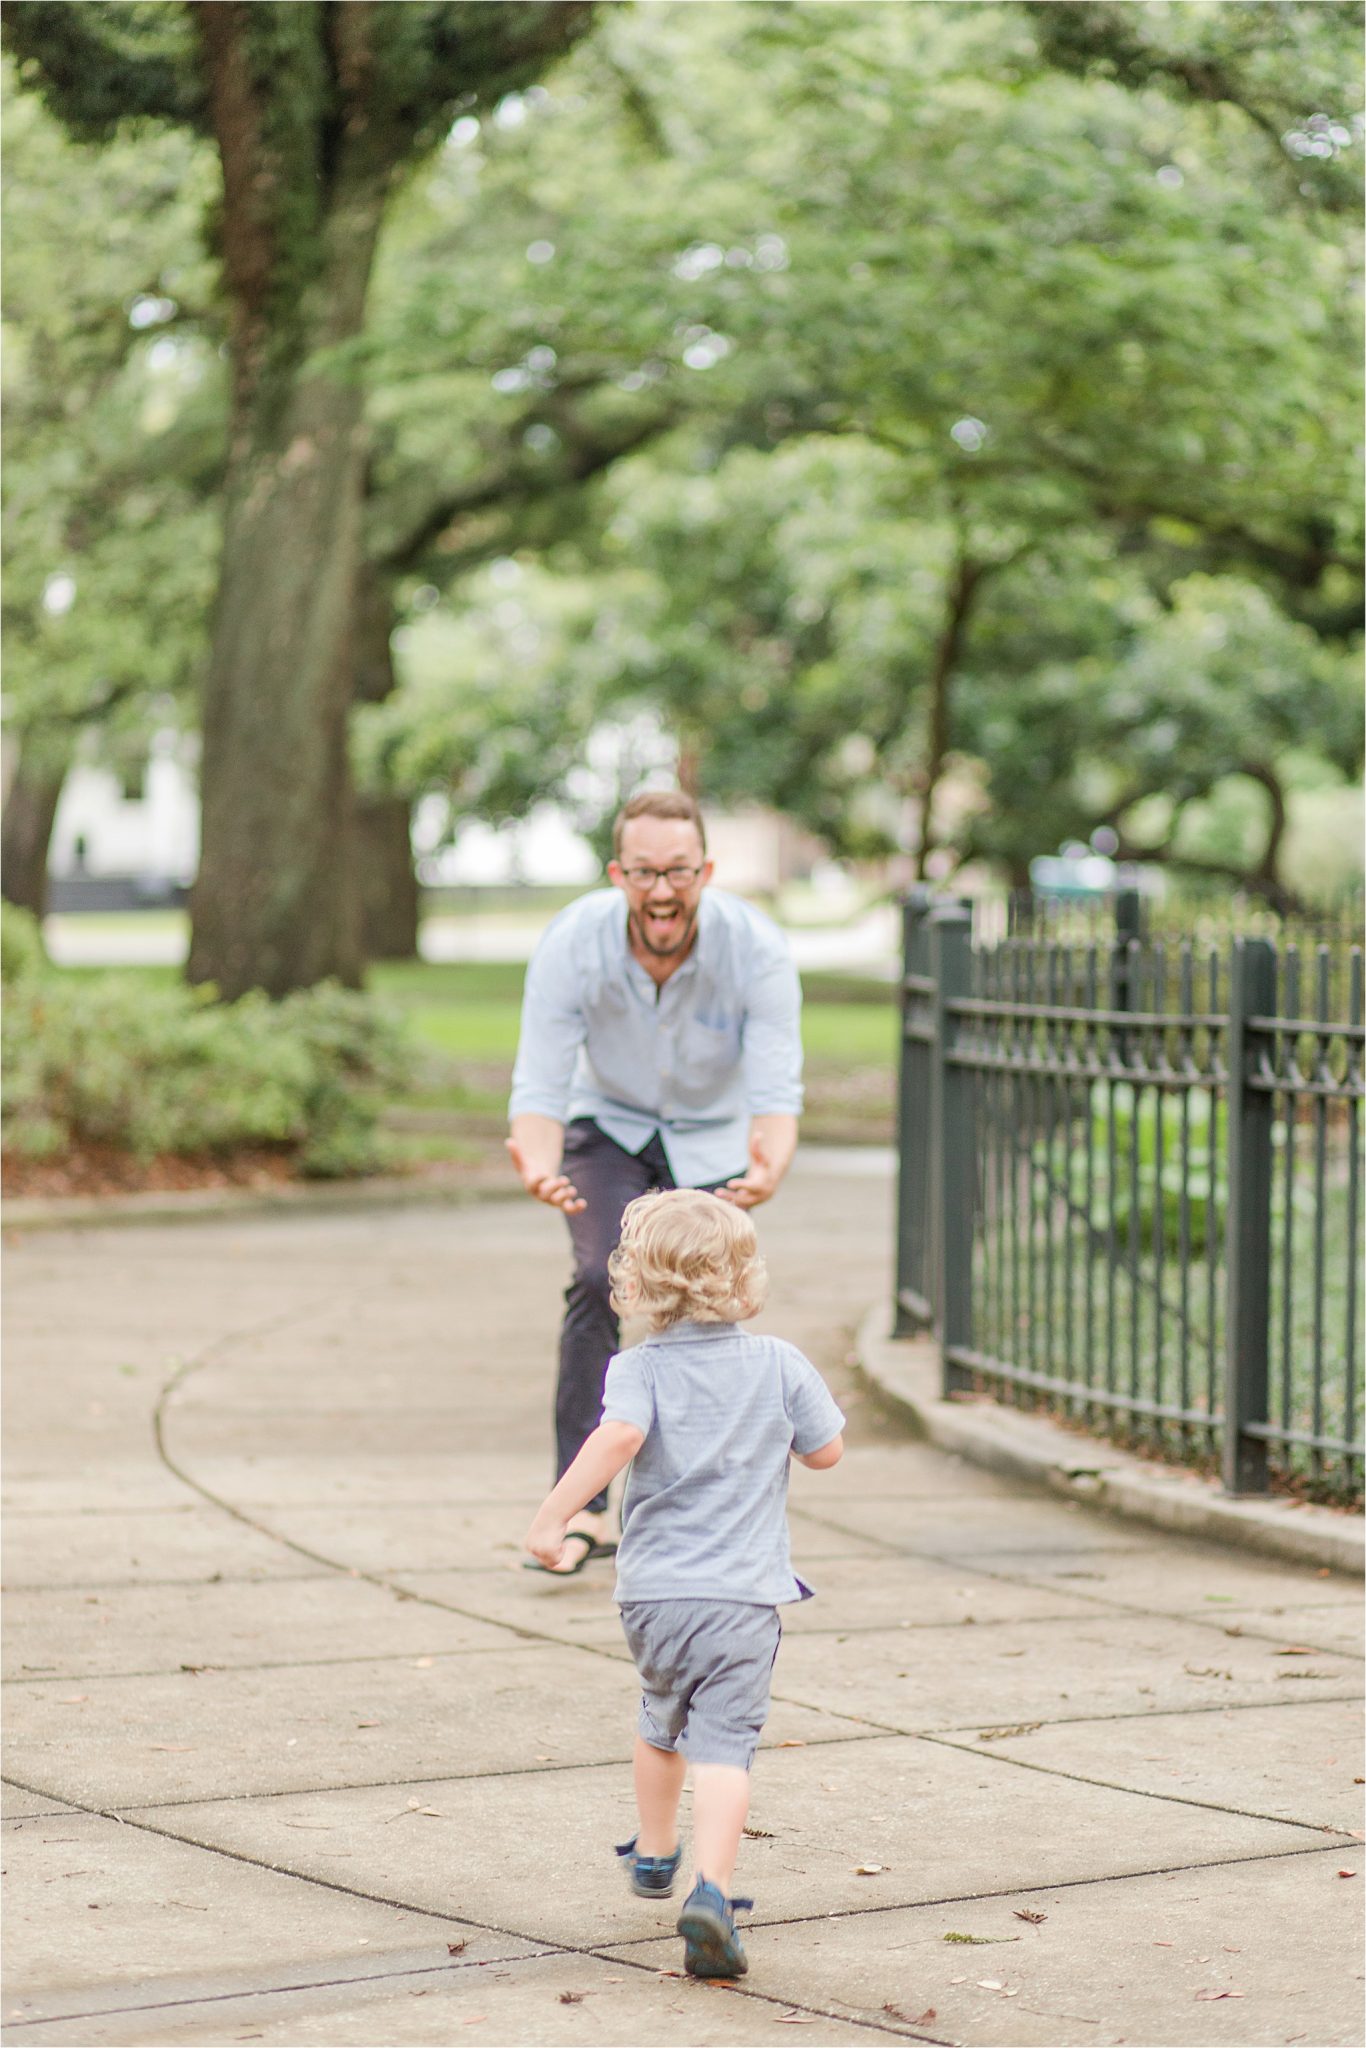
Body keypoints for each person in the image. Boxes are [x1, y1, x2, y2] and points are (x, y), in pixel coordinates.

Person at [524, 1187, 845, 1980]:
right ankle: (711, 1890)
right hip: (741, 1599)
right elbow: (826, 1453)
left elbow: (619, 1436)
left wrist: (554, 1516)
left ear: (636, 1285)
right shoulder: (778, 1363)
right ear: (744, 1280)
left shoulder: (636, 1368)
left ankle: (656, 1853)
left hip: (653, 1596)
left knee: (659, 1718)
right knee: (726, 1747)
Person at [507, 790, 803, 1573]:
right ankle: (581, 1512)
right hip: (608, 1126)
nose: (662, 891)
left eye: (678, 871)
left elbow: (776, 1086)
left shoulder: (756, 948)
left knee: (711, 1308)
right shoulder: (573, 941)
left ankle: (705, 1510)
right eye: (644, 873)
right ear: (617, 873)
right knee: (597, 1279)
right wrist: (538, 1163)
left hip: (712, 1140)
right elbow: (540, 1080)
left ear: (705, 870)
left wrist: (769, 1161)